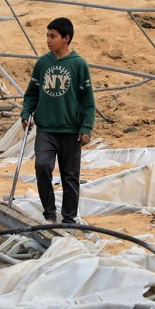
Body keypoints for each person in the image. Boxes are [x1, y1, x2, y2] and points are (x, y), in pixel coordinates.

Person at [20, 17, 95, 225]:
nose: (48, 40)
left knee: (70, 177)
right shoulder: (43, 62)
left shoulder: (78, 64)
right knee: (42, 166)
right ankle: (49, 214)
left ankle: (69, 219)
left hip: (71, 130)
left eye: (53, 36)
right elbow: (32, 93)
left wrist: (86, 127)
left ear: (66, 38)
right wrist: (26, 113)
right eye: (47, 36)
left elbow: (88, 100)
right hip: (46, 128)